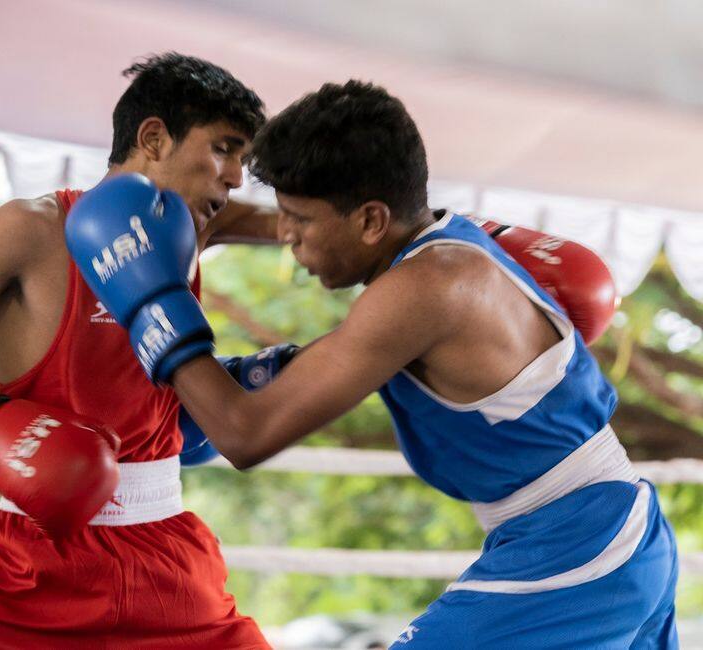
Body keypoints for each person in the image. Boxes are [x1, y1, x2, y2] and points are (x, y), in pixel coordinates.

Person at [70, 81, 678, 648]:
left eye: (300, 222)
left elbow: (247, 435)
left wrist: (152, 305)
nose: (288, 238)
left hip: (579, 544)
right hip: (606, 533)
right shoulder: (436, 247)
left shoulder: (424, 288)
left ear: (370, 220)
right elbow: (312, 341)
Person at [0, 52, 274, 648]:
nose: (234, 177)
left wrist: (426, 226)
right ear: (153, 137)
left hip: (169, 565)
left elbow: (301, 223)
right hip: (29, 564)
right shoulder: (29, 229)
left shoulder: (194, 232)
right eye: (223, 149)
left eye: (242, 161)